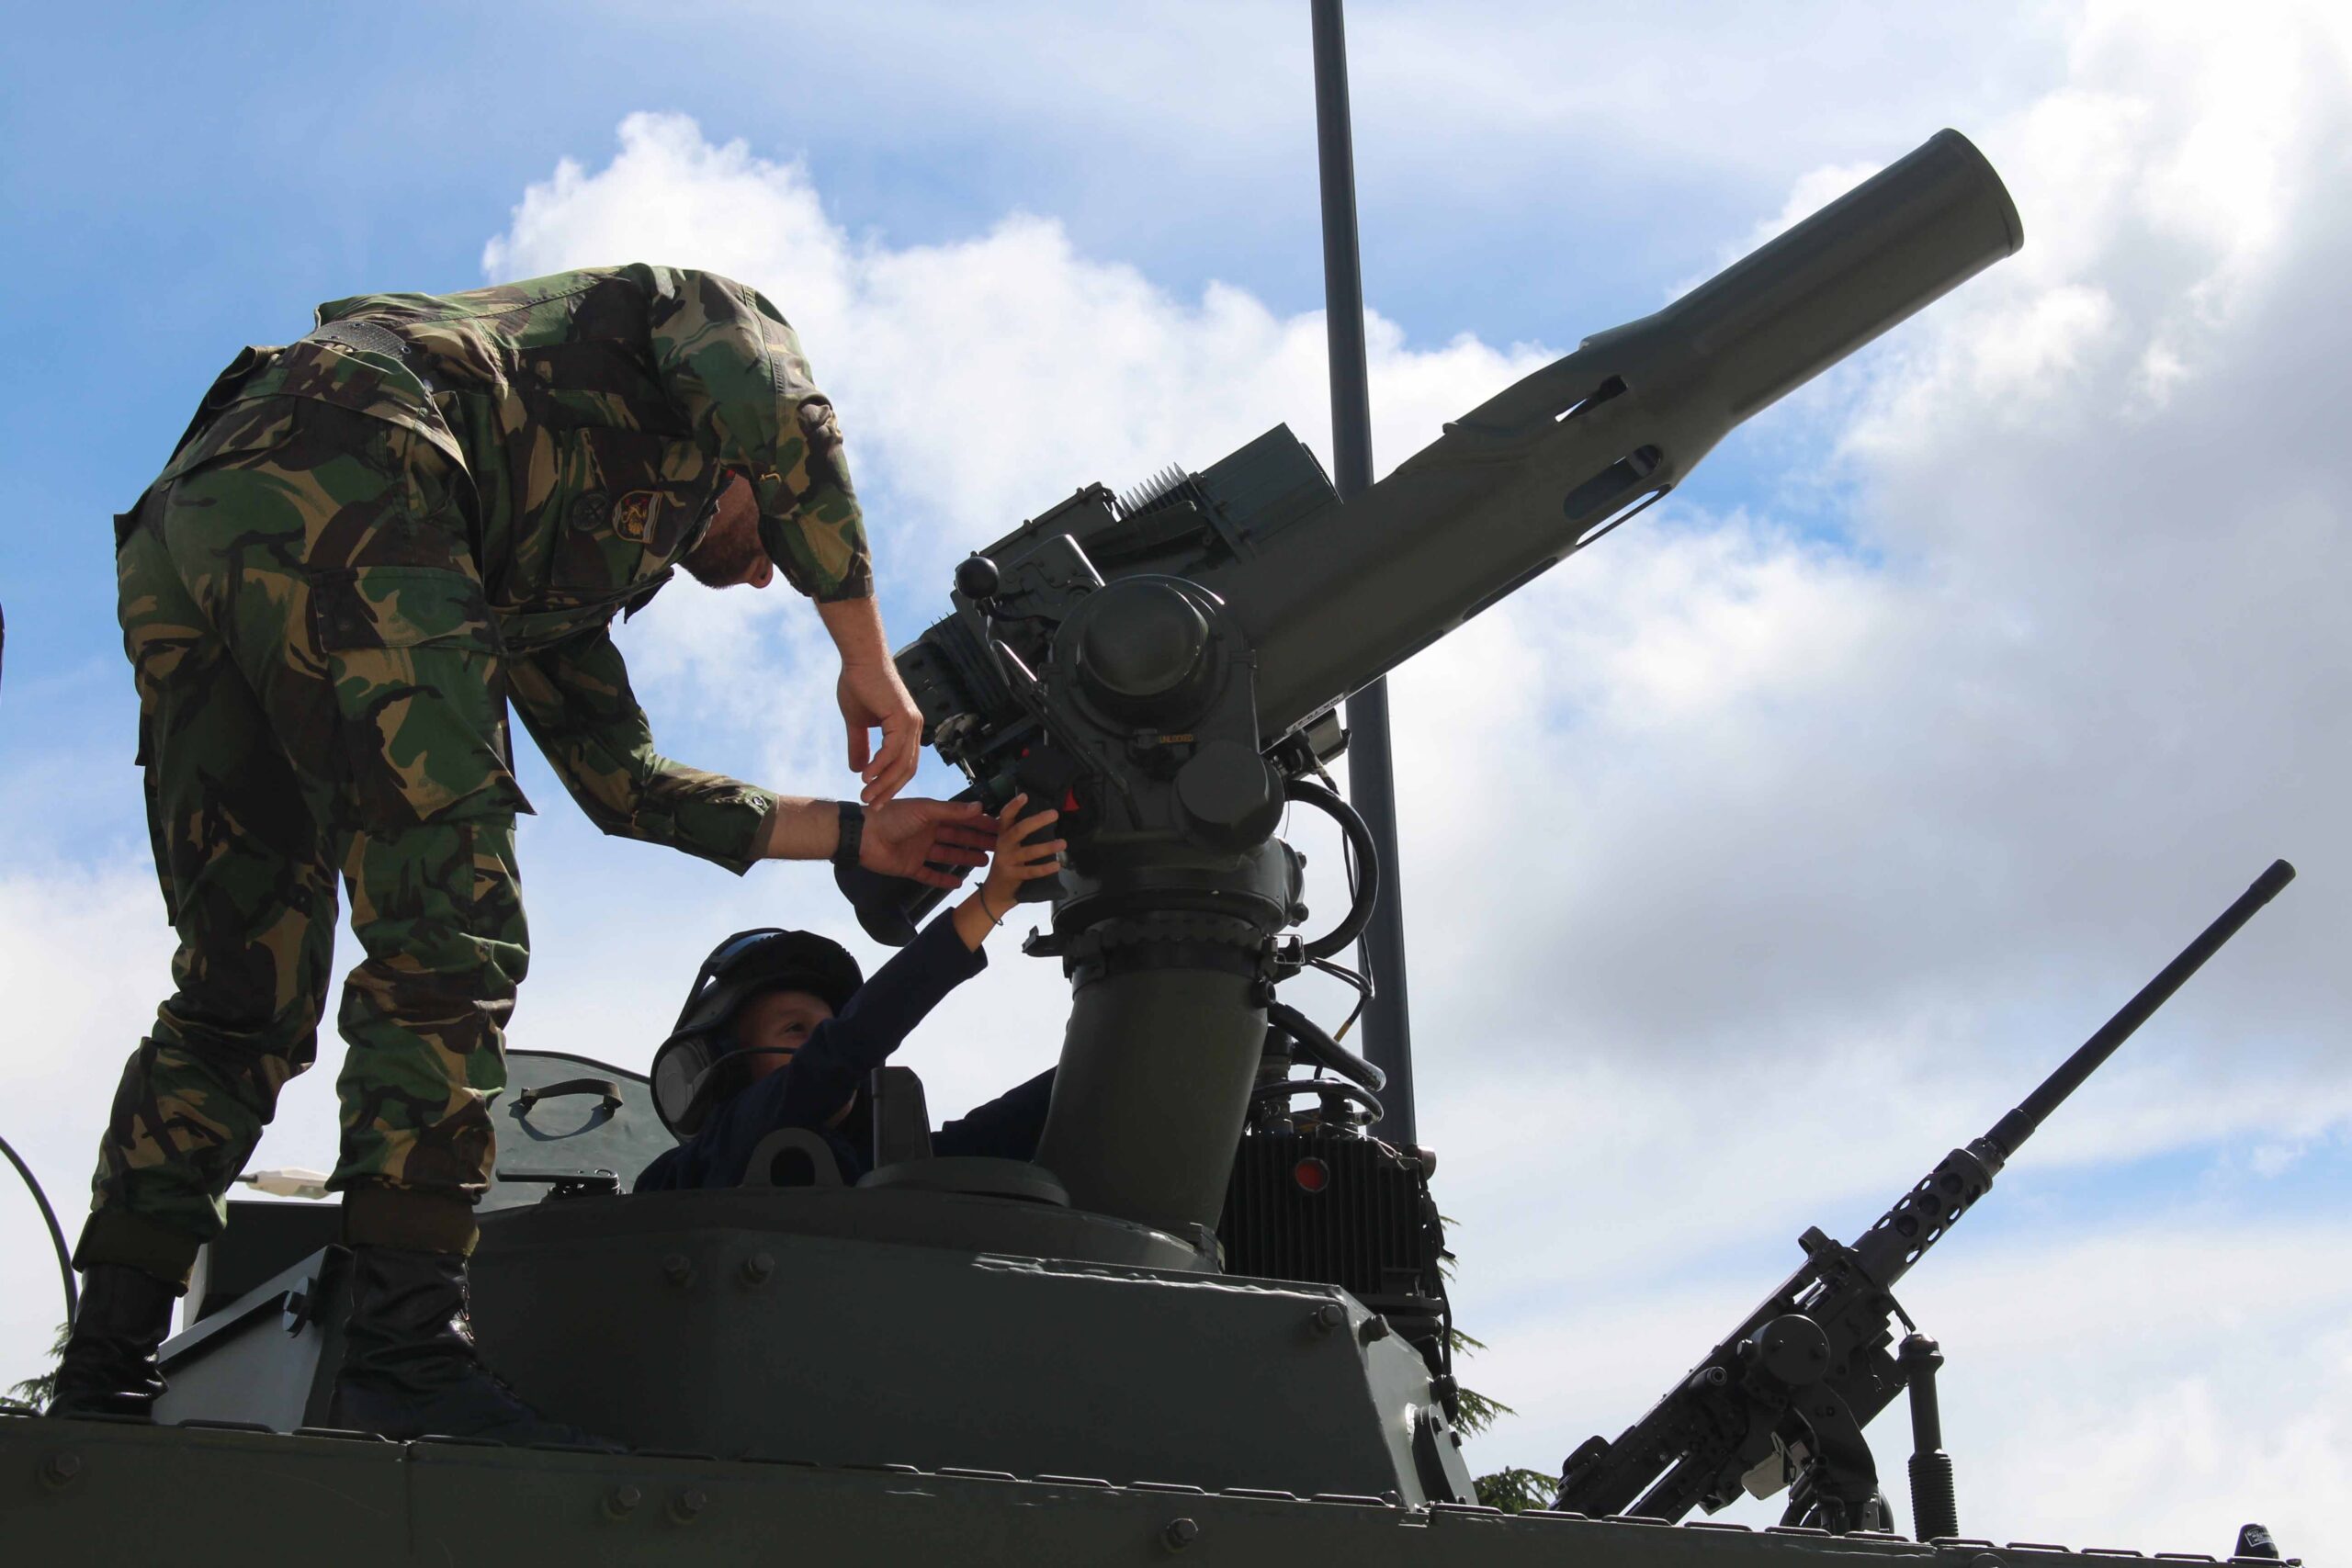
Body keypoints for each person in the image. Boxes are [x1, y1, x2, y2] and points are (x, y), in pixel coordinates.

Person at [53, 265, 996, 1445]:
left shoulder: (541, 580)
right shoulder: (707, 325)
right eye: (777, 545)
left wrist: (863, 834)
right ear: (749, 471)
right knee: (449, 928)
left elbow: (629, 787)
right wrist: (865, 652)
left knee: (244, 991)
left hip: (204, 522)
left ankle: (102, 1365)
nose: (768, 572)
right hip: (355, 458)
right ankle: (399, 1348)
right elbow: (782, 414)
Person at [638, 795, 1065, 1191]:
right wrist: (991, 900)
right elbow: (840, 1050)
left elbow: (989, 1139)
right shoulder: (707, 1161)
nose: (820, 1039)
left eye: (825, 1025)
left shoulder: (866, 1173)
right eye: (795, 1029)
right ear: (723, 1069)